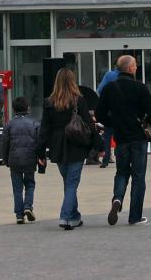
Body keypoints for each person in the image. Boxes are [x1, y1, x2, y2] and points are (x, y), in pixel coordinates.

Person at [96, 54, 151, 227]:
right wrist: (148, 124)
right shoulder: (140, 88)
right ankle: (135, 216)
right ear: (130, 68)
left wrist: (112, 124)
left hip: (120, 137)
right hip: (138, 138)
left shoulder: (109, 89)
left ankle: (117, 199)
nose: (136, 67)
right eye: (135, 65)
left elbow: (100, 114)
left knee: (121, 172)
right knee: (139, 177)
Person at [40, 67, 94, 229]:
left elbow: (44, 129)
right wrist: (98, 145)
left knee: (68, 182)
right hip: (76, 143)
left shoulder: (49, 102)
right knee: (71, 183)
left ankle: (74, 215)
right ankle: (65, 216)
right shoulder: (78, 100)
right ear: (72, 81)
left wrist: (40, 151)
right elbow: (89, 124)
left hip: (57, 145)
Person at [1, 96, 41, 224]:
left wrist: (5, 158)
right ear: (28, 108)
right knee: (30, 184)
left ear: (14, 109)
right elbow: (39, 142)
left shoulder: (9, 124)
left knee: (17, 188)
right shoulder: (35, 123)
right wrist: (40, 157)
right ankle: (28, 206)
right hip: (30, 158)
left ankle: (19, 214)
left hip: (14, 159)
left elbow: (5, 143)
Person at [96, 62, 121, 167]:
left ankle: (105, 160)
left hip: (109, 111)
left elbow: (99, 90)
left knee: (107, 136)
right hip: (121, 111)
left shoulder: (109, 75)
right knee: (120, 136)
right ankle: (120, 158)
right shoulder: (126, 76)